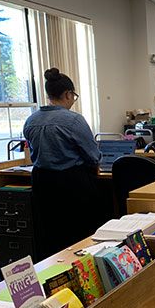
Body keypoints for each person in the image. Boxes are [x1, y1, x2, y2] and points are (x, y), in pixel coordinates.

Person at [23, 68, 102, 258]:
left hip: (42, 182)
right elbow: (93, 156)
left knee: (49, 232)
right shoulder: (73, 120)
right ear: (68, 94)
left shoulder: (31, 120)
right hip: (71, 183)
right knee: (78, 233)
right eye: (73, 96)